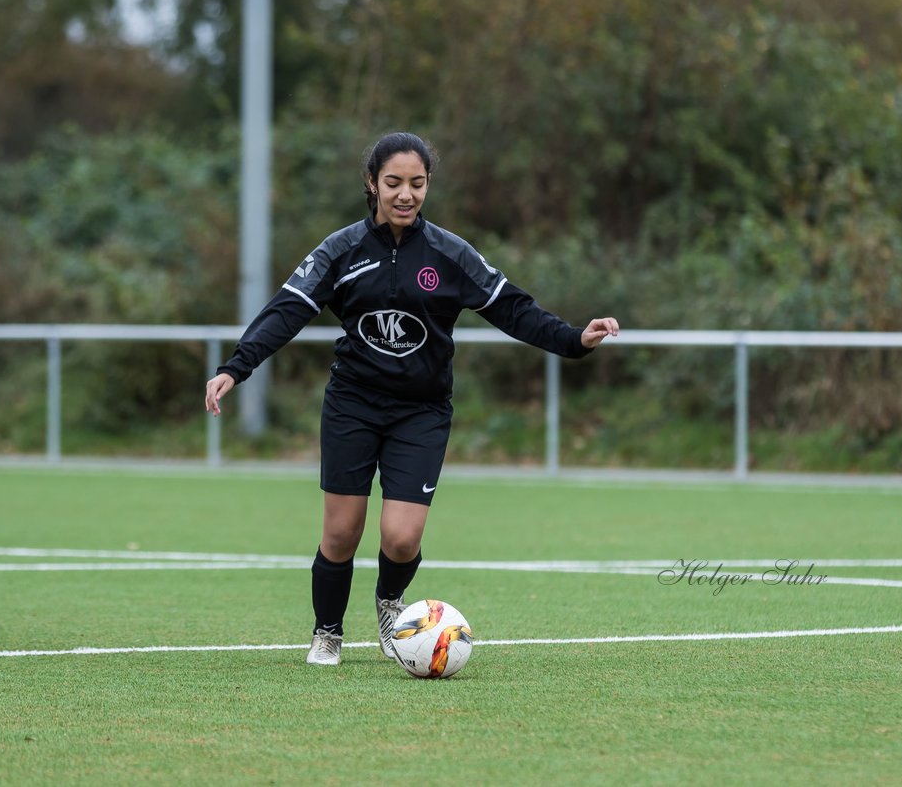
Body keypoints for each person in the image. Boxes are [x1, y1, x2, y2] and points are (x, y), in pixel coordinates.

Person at [204, 132, 619, 666]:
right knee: (341, 532)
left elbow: (513, 308)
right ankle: (327, 632)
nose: (406, 194)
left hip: (421, 411)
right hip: (353, 403)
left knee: (401, 538)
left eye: (417, 184)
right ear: (372, 183)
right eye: (394, 183)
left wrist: (572, 340)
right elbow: (287, 309)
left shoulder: (449, 253)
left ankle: (388, 603)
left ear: (428, 185)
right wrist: (236, 367)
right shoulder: (341, 249)